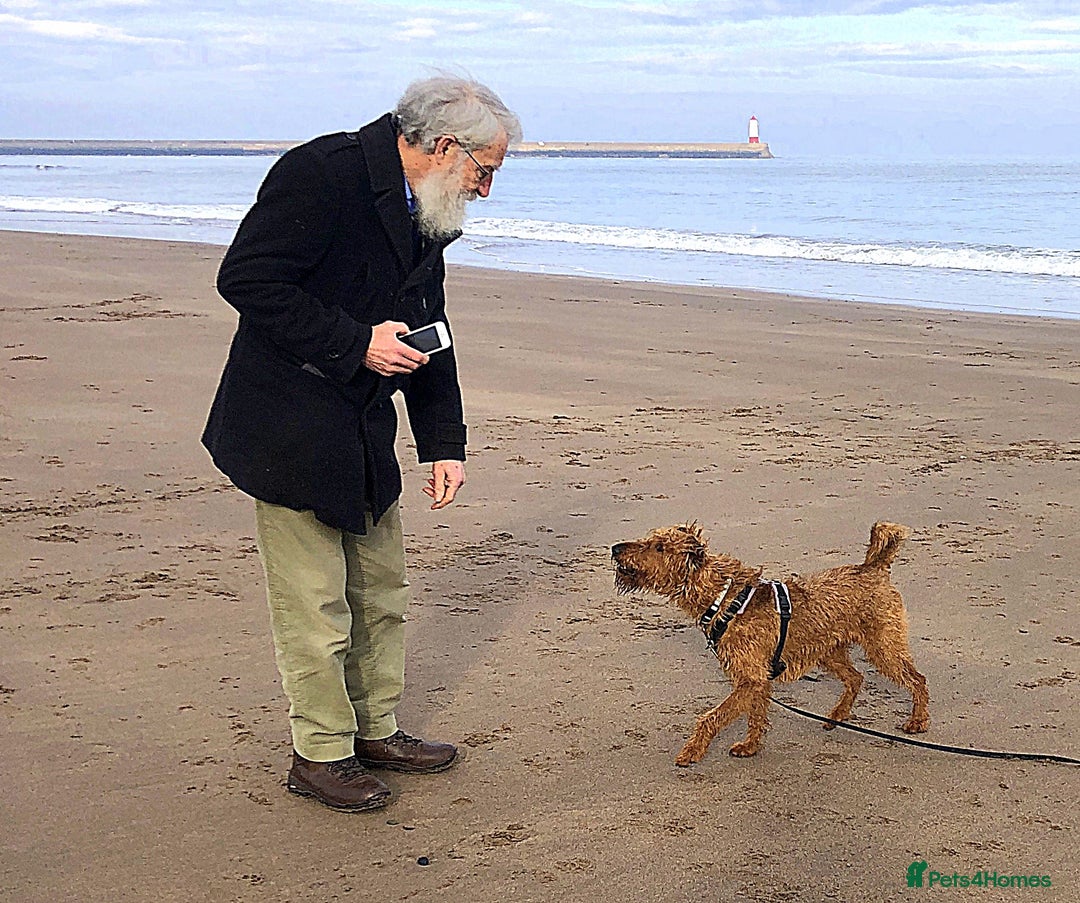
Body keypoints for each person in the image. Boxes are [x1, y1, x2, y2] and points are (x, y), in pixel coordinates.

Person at [201, 76, 522, 812]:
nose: (487, 188)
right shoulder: (321, 173)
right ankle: (320, 754)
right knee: (316, 606)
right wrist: (356, 343)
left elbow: (427, 324)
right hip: (288, 423)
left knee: (381, 594)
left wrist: (445, 441)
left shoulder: (429, 207)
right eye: (486, 171)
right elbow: (245, 277)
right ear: (446, 148)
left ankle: (375, 729)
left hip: (365, 426)